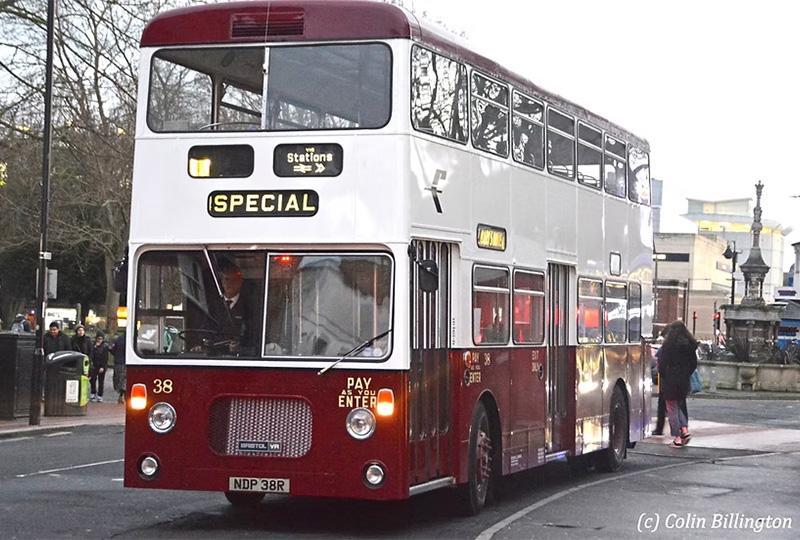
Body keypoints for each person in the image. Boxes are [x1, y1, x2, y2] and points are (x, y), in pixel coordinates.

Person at [657, 320, 698, 448]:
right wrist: (686, 374)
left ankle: (677, 437)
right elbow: (693, 364)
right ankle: (684, 430)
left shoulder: (668, 347)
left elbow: (662, 365)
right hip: (683, 381)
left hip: (670, 380)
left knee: (672, 409)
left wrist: (665, 375)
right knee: (679, 406)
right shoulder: (690, 346)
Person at [89, 332, 109, 402]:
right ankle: (93, 392)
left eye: (101, 339)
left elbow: (105, 358)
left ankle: (100, 395)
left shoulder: (105, 347)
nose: (99, 340)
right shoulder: (93, 346)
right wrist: (95, 348)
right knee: (93, 380)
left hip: (101, 365)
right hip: (94, 365)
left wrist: (103, 367)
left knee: (101, 381)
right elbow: (91, 355)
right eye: (98, 339)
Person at [108, 330, 127, 404]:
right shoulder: (130, 339)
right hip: (124, 361)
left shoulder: (118, 339)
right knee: (124, 379)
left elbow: (112, 350)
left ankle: (121, 394)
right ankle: (122, 395)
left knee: (118, 378)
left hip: (118, 362)